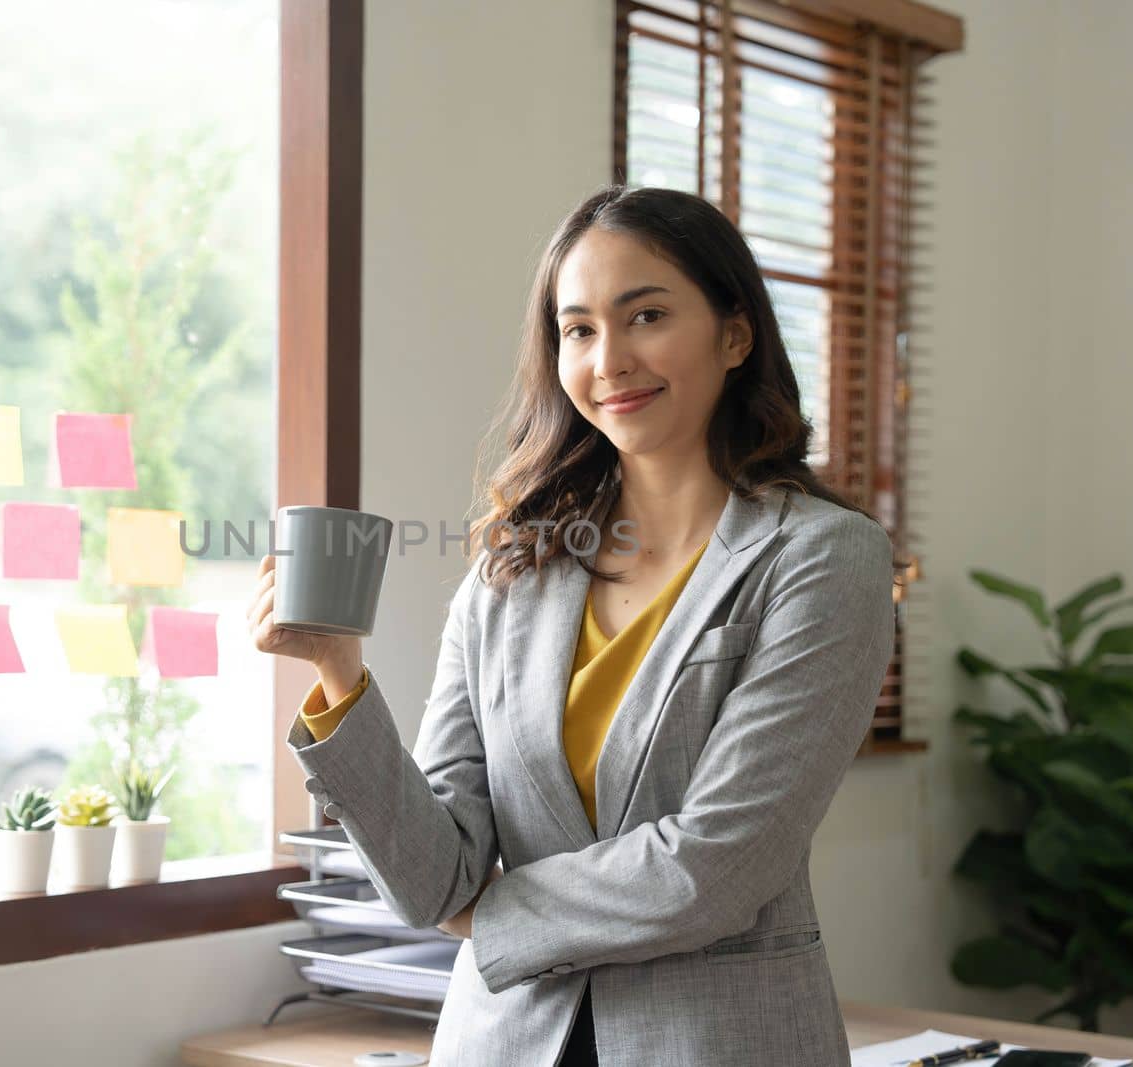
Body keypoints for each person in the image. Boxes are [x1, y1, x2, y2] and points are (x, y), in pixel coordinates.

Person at [247, 185, 906, 1066]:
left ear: (735, 334)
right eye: (579, 329)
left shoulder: (825, 558)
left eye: (647, 315)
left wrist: (492, 915)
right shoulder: (511, 571)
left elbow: (717, 868)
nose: (610, 359)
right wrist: (337, 671)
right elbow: (433, 878)